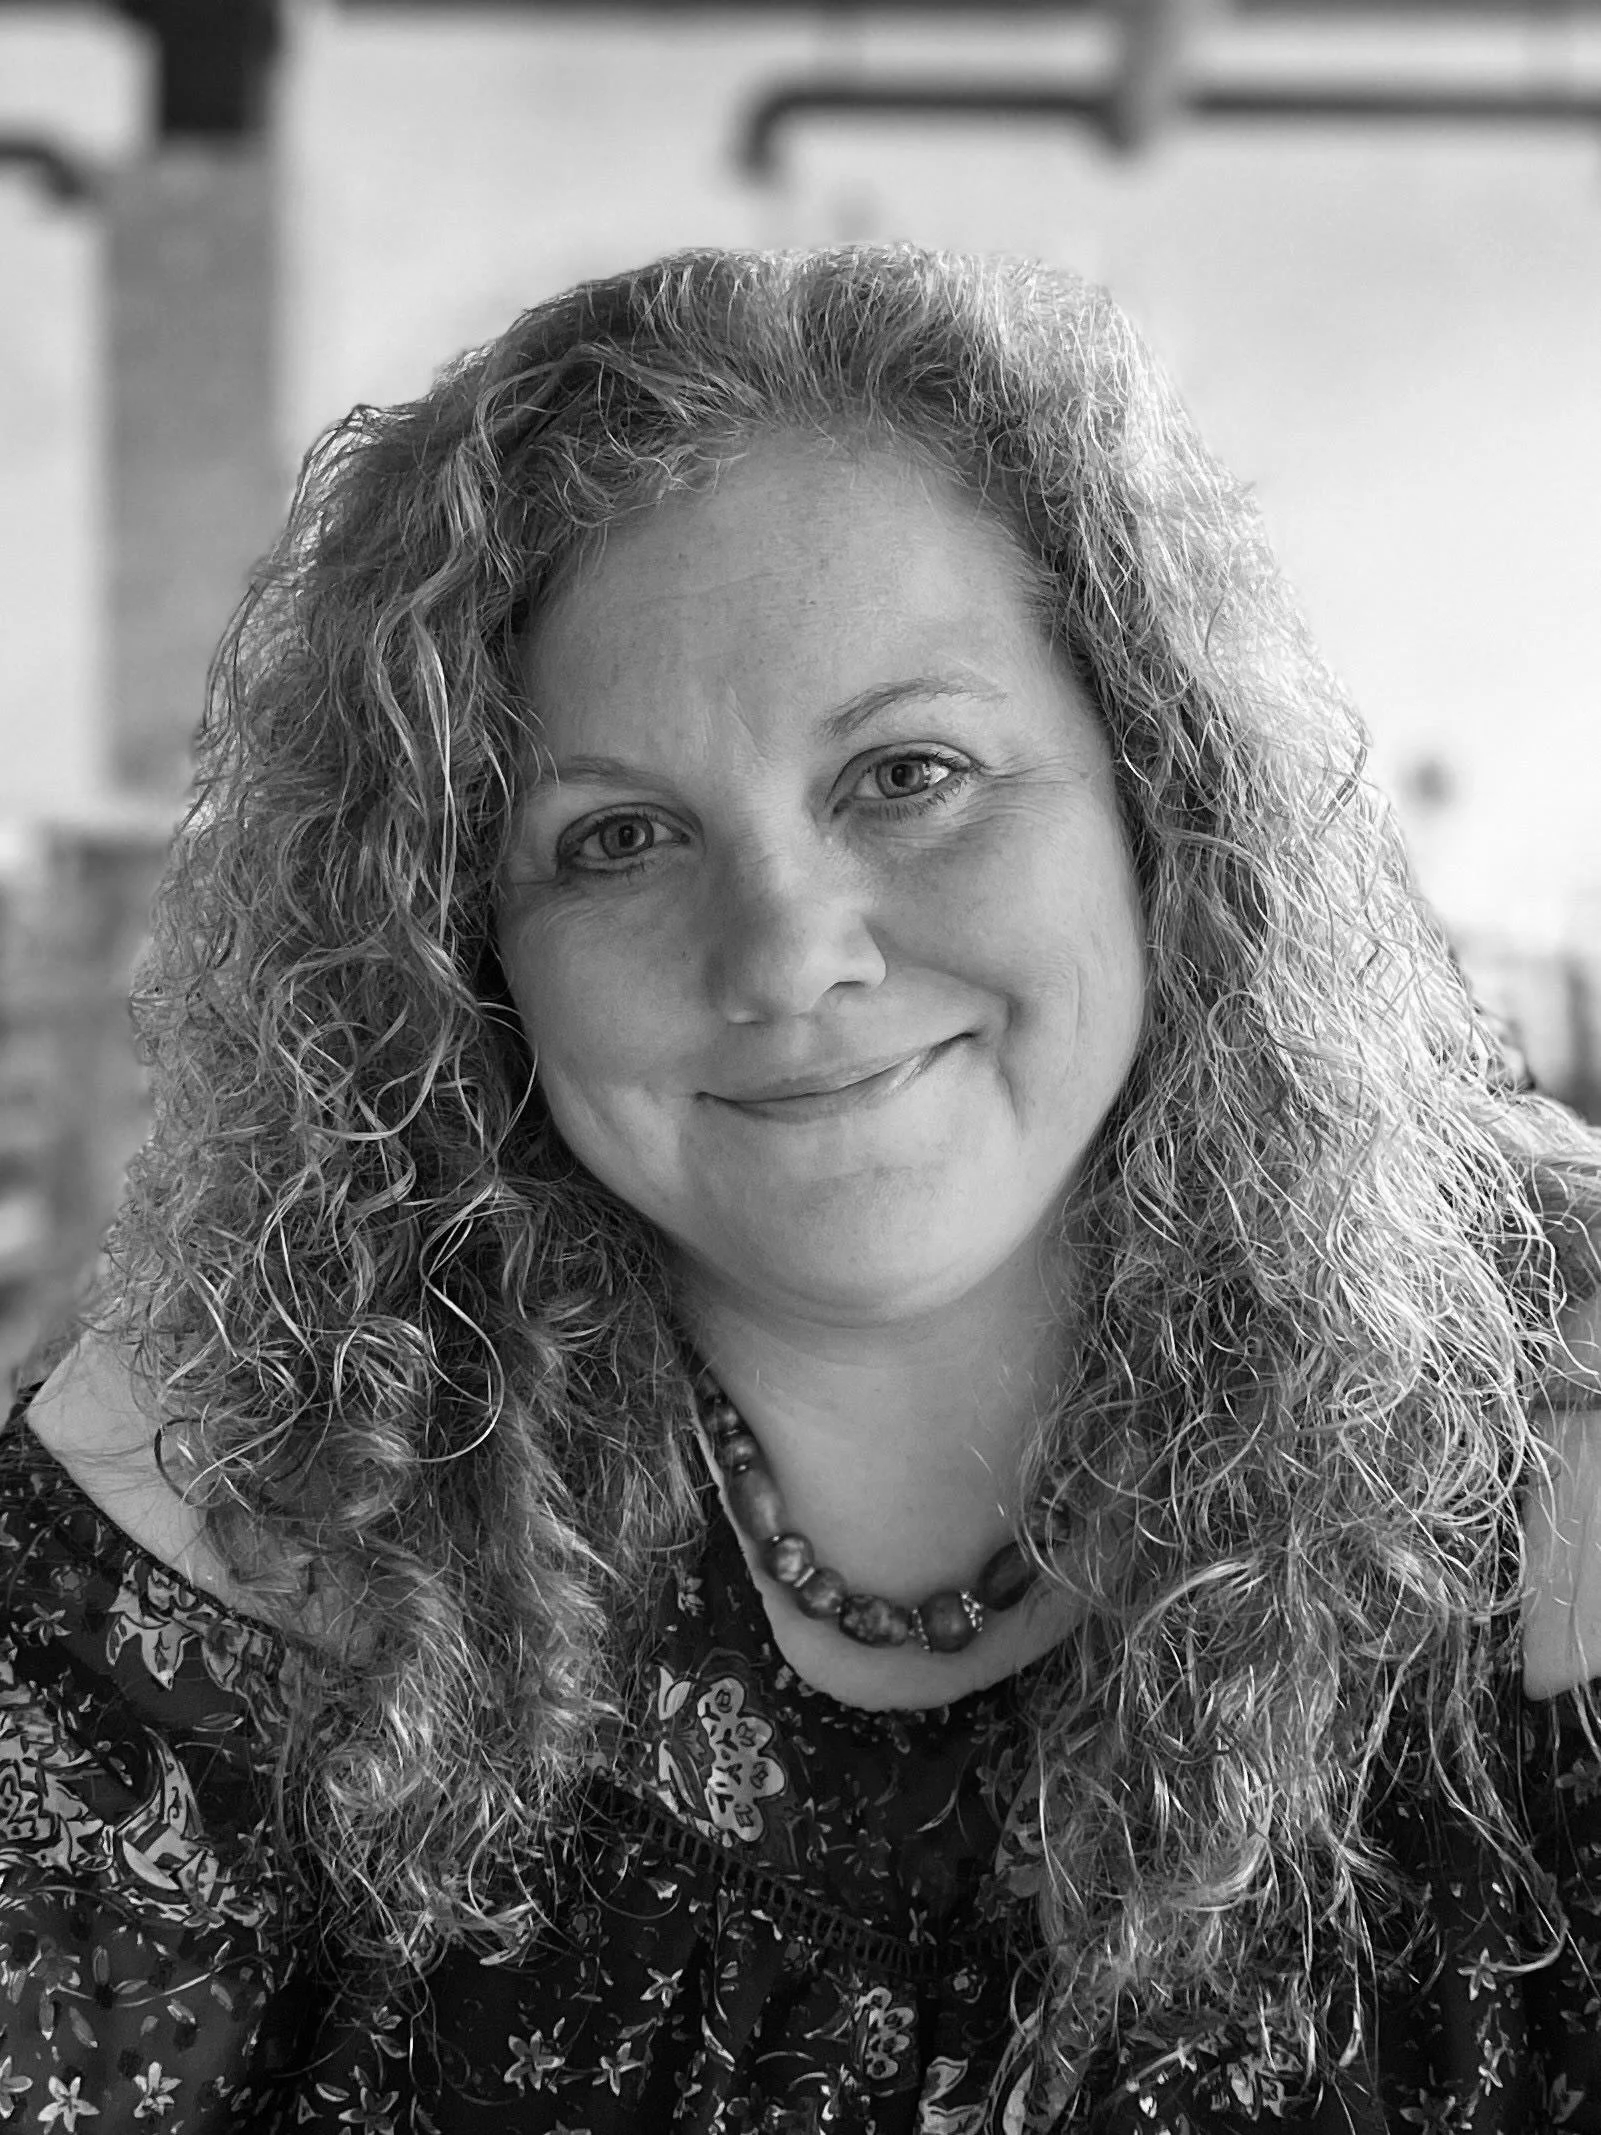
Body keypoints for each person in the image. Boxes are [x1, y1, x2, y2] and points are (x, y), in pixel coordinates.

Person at [2, 244, 1600, 2135]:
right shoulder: (242, 1502)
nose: (783, 953)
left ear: (1161, 798)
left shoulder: (1528, 1452)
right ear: (455, 952)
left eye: (908, 772)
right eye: (616, 837)